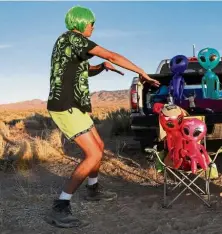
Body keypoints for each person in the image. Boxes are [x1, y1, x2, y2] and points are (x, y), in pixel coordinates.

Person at [45, 5, 160, 228]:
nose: (93, 27)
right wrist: (142, 73)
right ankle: (60, 206)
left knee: (99, 145)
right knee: (93, 154)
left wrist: (101, 67)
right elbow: (112, 54)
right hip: (65, 105)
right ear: (81, 23)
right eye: (91, 23)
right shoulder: (73, 39)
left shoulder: (66, 42)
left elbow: (83, 70)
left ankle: (92, 189)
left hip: (74, 105)